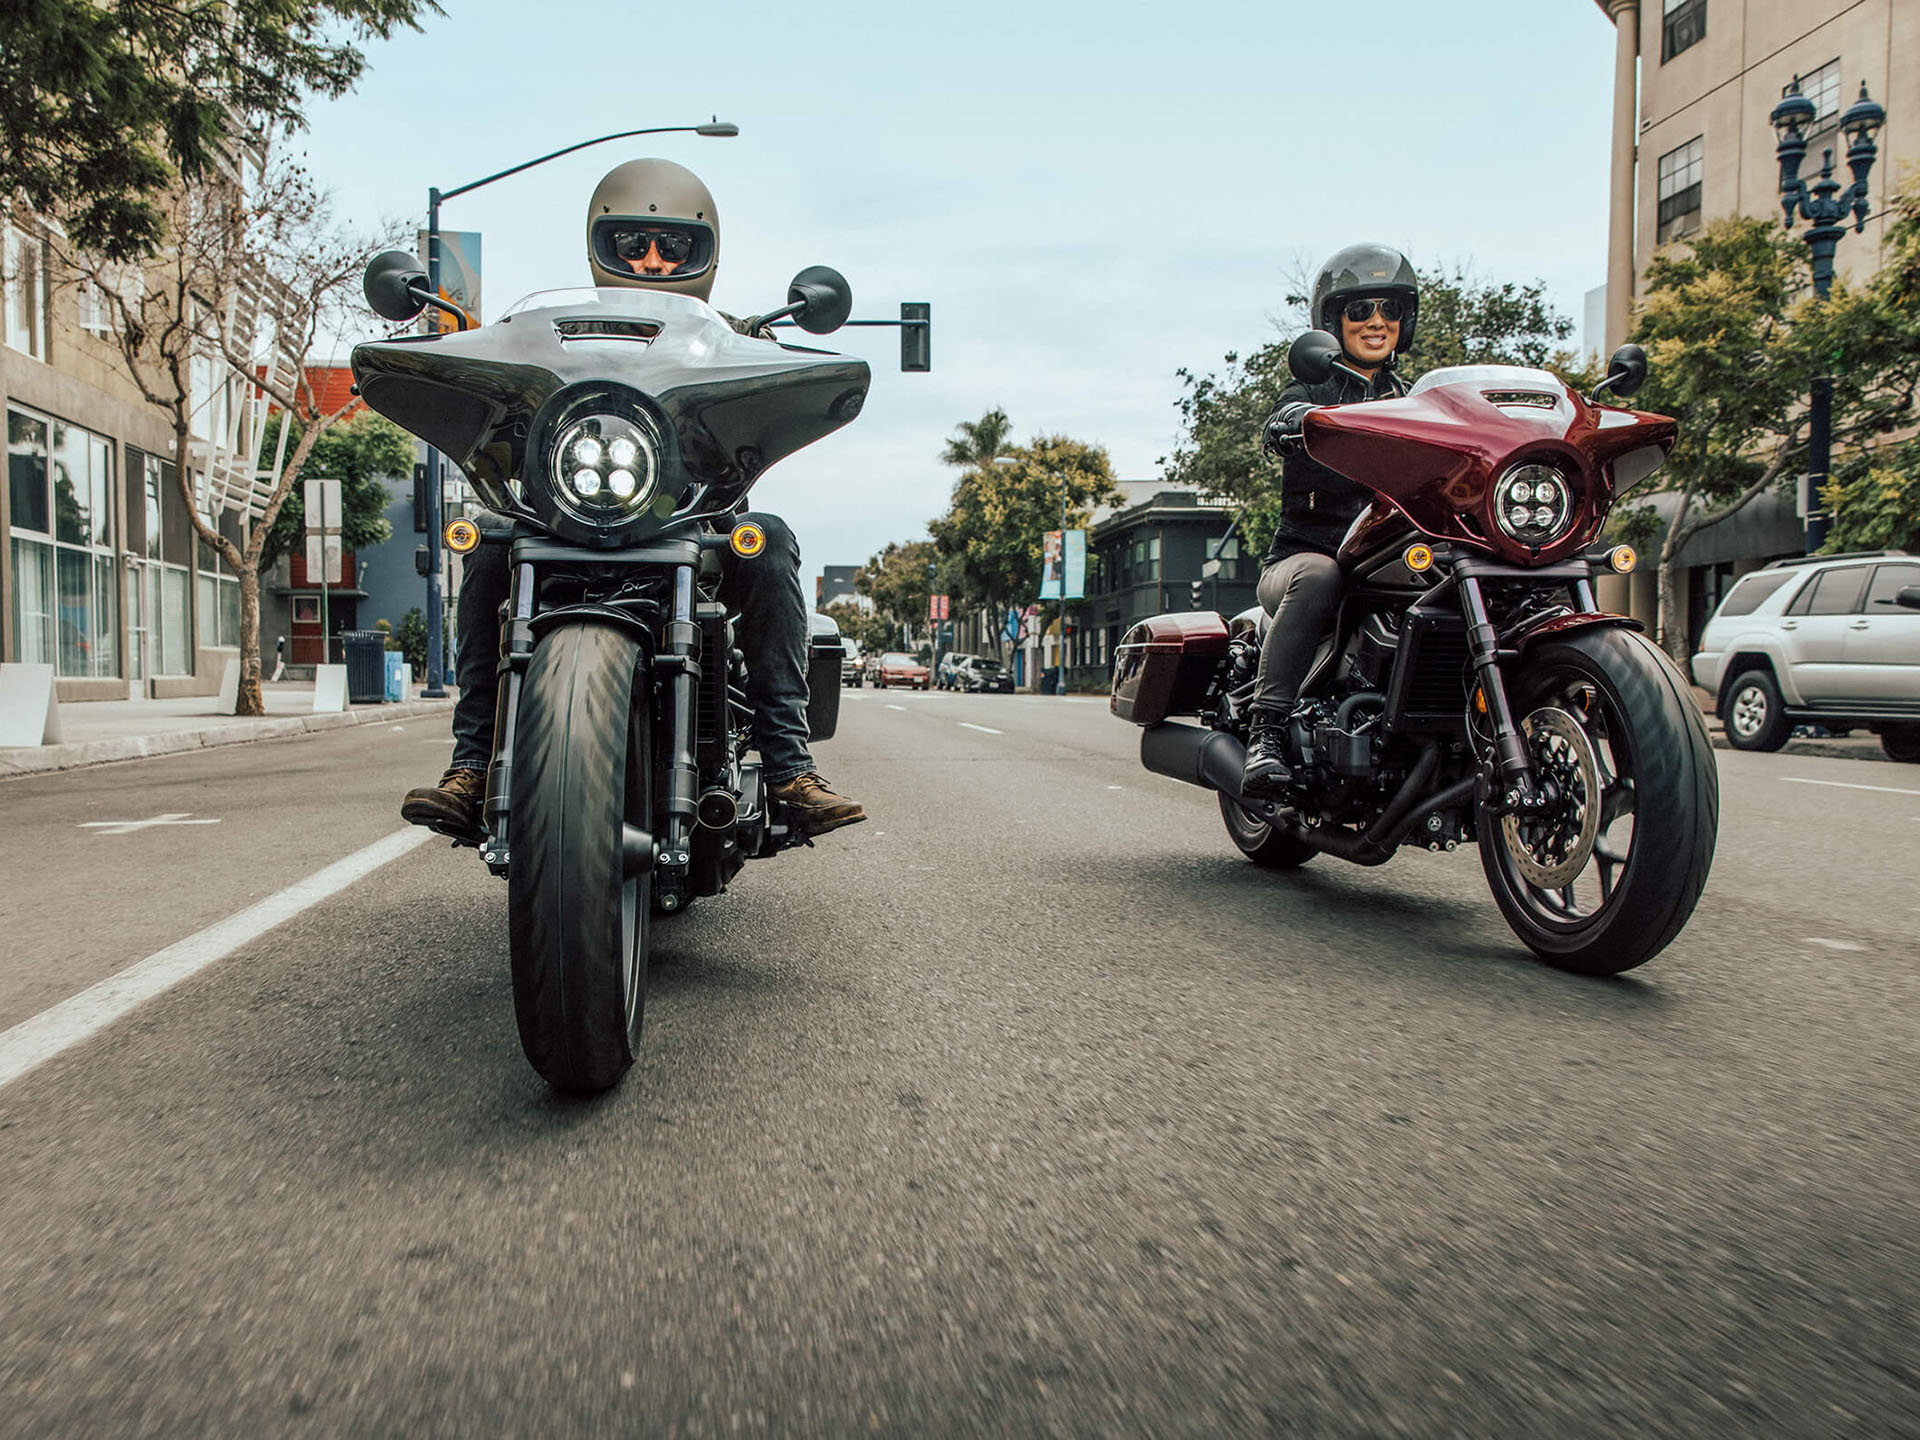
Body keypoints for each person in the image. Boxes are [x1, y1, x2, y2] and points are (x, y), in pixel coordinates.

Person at [402, 158, 865, 839]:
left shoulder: (734, 340)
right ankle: (471, 766)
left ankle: (789, 770)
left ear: (701, 254)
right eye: (632, 244)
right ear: (602, 244)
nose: (650, 261)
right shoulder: (542, 336)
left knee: (767, 539)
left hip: (693, 527)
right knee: (488, 537)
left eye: (672, 246)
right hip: (561, 520)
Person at [1240, 243, 1420, 796]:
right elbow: (1285, 417)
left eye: (1389, 310)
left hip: (1386, 559)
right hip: (1299, 563)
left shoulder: (1414, 400)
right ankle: (1265, 732)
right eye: (1360, 310)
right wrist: (1294, 421)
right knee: (1321, 575)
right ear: (1334, 320)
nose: (1377, 322)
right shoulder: (1313, 387)